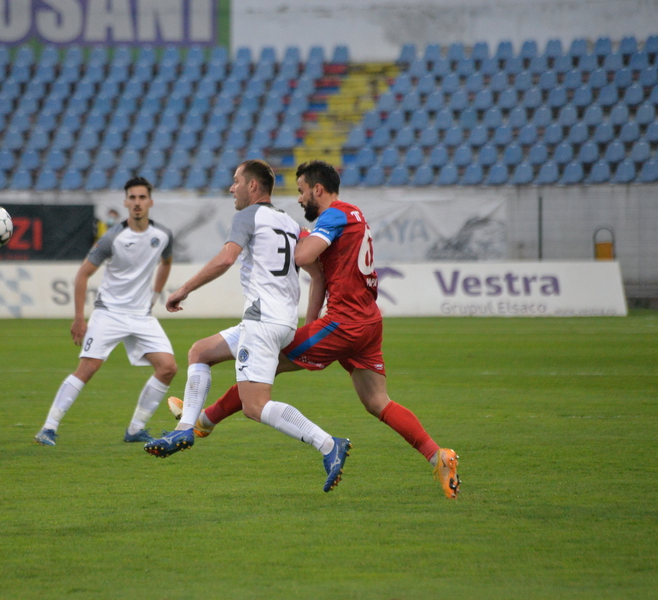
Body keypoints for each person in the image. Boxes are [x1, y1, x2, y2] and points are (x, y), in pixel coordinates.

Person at [169, 160, 461, 499]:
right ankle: (438, 455)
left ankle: (203, 422)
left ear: (317, 190)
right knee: (377, 401)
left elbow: (302, 254)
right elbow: (319, 277)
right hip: (368, 322)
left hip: (343, 323)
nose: (299, 199)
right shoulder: (355, 215)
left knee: (264, 365)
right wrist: (310, 327)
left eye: (302, 191)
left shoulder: (334, 215)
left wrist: (286, 237)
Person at [143, 159, 351, 493]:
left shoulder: (247, 216)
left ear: (253, 186)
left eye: (236, 181)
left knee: (255, 406)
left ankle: (328, 444)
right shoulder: (290, 222)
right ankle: (185, 428)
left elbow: (226, 258)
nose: (231, 188)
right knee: (200, 352)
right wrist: (308, 323)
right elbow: (318, 274)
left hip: (262, 322)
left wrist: (183, 289)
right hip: (280, 322)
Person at [35, 177, 177, 446]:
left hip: (141, 316)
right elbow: (82, 275)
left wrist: (155, 295)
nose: (137, 203)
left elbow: (166, 262)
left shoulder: (163, 235)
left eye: (141, 197)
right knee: (88, 368)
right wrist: (79, 318)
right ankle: (48, 427)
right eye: (132, 198)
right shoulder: (112, 238)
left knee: (168, 368)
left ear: (150, 202)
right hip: (109, 313)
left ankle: (136, 429)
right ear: (125, 203)